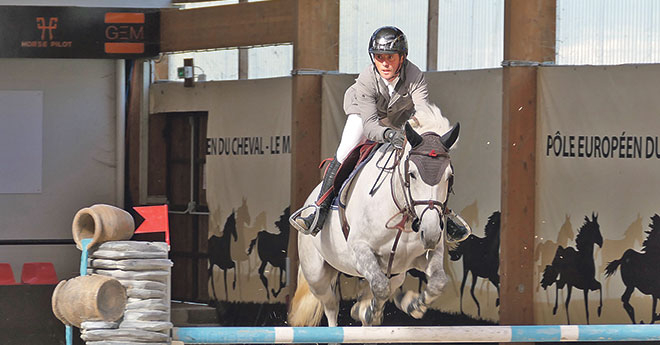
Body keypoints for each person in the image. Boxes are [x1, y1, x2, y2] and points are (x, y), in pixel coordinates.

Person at [291, 26, 433, 236]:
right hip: (364, 114)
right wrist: (389, 135)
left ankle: (442, 216)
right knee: (346, 149)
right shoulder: (367, 78)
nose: (384, 63)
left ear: (402, 57)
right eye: (379, 57)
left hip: (397, 117)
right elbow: (370, 126)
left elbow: (423, 112)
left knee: (427, 153)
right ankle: (318, 210)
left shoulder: (415, 75)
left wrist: (419, 132)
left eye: (391, 57)